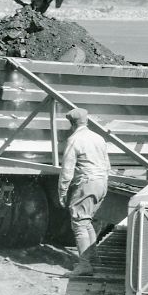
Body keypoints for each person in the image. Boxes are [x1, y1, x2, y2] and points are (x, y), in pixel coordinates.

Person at [58, 107, 110, 260]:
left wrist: (62, 192)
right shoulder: (99, 138)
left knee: (79, 223)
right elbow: (107, 165)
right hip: (102, 183)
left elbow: (67, 170)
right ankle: (93, 259)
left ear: (72, 124)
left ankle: (84, 265)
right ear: (86, 121)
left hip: (87, 183)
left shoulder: (74, 140)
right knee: (86, 222)